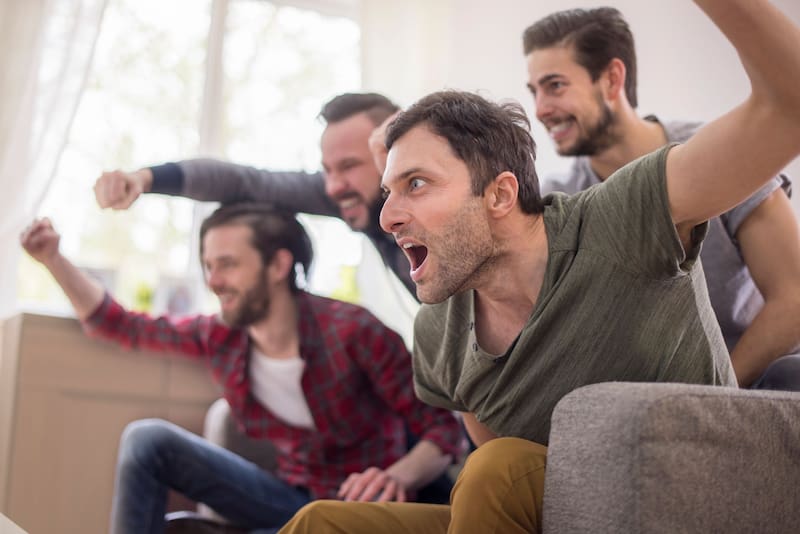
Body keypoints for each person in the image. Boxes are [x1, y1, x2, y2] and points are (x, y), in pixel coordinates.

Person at [277, 0, 800, 532]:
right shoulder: (439, 332)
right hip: (562, 497)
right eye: (388, 191)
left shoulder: (622, 215)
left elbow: (788, 105)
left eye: (415, 183)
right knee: (322, 521)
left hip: (685, 481)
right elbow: (519, 485)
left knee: (495, 469)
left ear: (501, 194)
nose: (386, 217)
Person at [19, 203, 464, 534]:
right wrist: (53, 259)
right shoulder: (220, 337)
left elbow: (442, 431)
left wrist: (395, 476)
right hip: (288, 500)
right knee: (148, 439)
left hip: (359, 515)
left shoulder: (353, 331)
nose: (213, 280)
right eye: (208, 266)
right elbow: (116, 324)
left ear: (278, 265)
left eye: (227, 265)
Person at [522, 6, 800, 390]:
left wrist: (710, 395)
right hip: (650, 401)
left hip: (756, 383)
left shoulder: (719, 154)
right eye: (534, 91)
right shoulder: (560, 198)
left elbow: (793, 298)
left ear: (611, 79)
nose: (540, 110)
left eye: (555, 86)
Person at [92, 93, 416, 295]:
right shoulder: (348, 194)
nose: (333, 187)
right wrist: (143, 179)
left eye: (349, 166)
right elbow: (245, 182)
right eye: (328, 170)